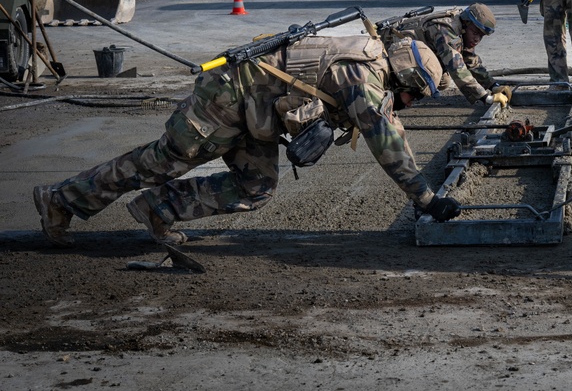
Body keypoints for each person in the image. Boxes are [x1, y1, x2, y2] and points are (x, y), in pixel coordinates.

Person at [32, 34, 462, 248]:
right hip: (224, 101)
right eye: (415, 92)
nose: (411, 101)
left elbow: (390, 127)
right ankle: (61, 200)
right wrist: (425, 199)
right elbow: (386, 143)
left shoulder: (370, 64)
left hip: (253, 114)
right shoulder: (361, 78)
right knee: (157, 164)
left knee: (255, 187)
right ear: (405, 75)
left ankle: (159, 208)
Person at [379, 3, 511, 108]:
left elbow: (470, 61)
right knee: (427, 78)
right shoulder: (446, 31)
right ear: (466, 23)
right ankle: (397, 98)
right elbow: (457, 69)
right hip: (392, 53)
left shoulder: (463, 31)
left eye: (481, 35)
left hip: (412, 55)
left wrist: (493, 85)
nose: (477, 39)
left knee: (443, 81)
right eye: (476, 32)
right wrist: (485, 97)